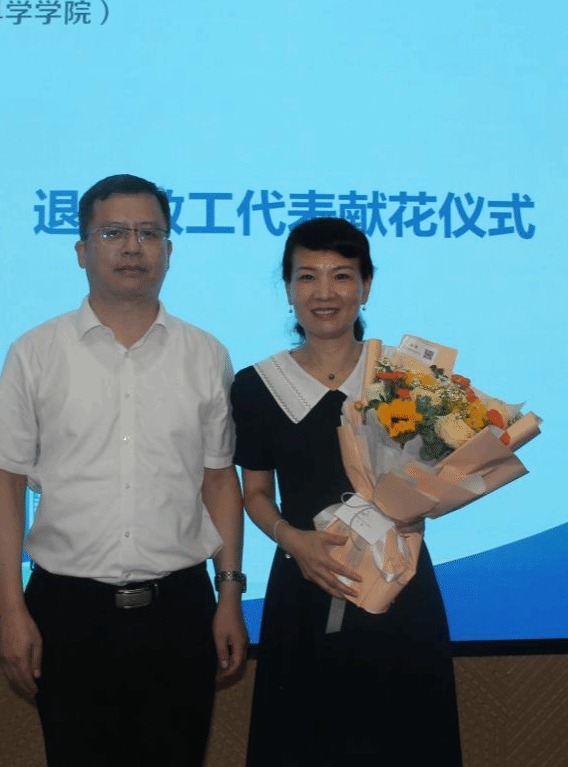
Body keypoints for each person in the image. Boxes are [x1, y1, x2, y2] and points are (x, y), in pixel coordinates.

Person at [0, 173, 248, 767]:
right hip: (67, 612)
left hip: (180, 610)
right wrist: (10, 610)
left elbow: (220, 480)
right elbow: (6, 484)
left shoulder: (206, 355)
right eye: (113, 232)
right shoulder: (36, 352)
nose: (132, 247)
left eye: (149, 233)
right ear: (82, 250)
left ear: (169, 250)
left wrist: (229, 594)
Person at [231, 217, 462, 765]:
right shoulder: (256, 385)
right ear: (288, 288)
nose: (324, 292)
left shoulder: (405, 378)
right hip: (306, 581)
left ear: (366, 286)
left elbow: (441, 476)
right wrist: (294, 540)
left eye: (341, 275)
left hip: (399, 580)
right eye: (307, 276)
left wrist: (419, 503)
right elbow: (255, 492)